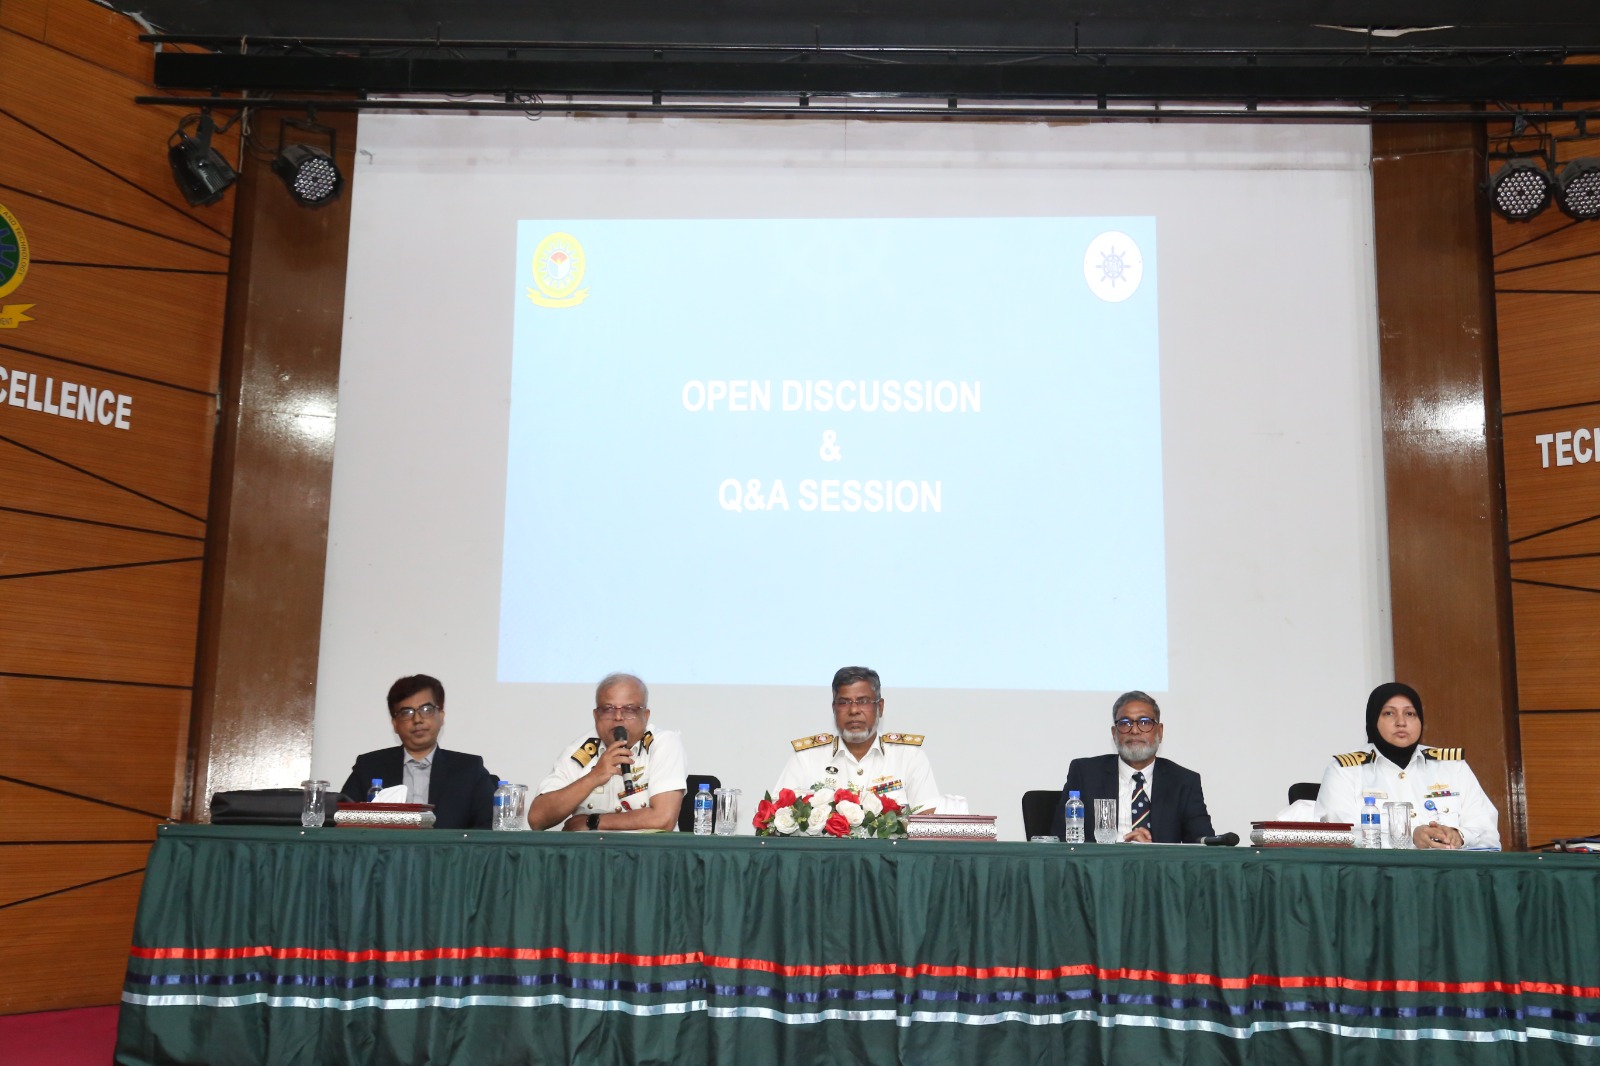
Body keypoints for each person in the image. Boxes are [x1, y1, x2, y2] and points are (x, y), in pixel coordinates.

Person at [1314, 682, 1500, 850]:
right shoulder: (1344, 771)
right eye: (1389, 713)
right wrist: (1411, 839)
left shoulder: (1452, 767)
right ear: (1373, 719)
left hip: (1449, 872)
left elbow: (1488, 833)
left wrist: (1459, 836)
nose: (1401, 722)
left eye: (1410, 714)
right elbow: (1339, 837)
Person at [528, 672, 687, 831]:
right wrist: (594, 777)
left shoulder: (664, 743)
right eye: (608, 709)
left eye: (629, 709)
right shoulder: (580, 751)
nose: (618, 717)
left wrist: (593, 822)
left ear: (645, 716)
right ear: (596, 716)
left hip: (647, 847)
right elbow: (537, 819)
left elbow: (663, 819)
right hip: (591, 847)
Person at [1052, 690, 1215, 843]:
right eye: (1125, 723)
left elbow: (1203, 846)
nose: (1135, 730)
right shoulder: (1085, 774)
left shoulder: (1184, 782)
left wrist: (1153, 852)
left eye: (1145, 722)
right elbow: (1060, 838)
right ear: (1114, 733)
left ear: (1160, 732)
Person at [340, 673, 499, 829]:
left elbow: (489, 826)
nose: (417, 719)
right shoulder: (369, 767)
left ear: (441, 716)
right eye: (406, 712)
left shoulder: (469, 770)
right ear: (395, 724)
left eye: (426, 709)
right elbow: (340, 820)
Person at [772, 666, 941, 811]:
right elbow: (776, 818)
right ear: (834, 709)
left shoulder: (909, 757)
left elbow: (927, 821)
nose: (853, 710)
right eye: (844, 702)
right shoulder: (806, 758)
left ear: (880, 707)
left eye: (863, 701)